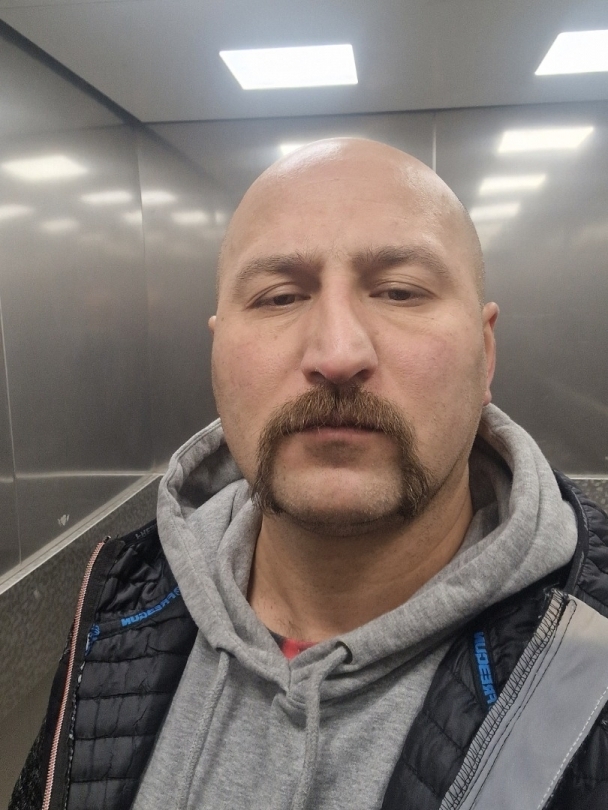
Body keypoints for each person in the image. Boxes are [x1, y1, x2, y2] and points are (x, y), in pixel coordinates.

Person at [10, 138, 608, 810]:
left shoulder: (591, 658)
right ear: (217, 353)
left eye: (400, 291)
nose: (338, 353)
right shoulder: (116, 599)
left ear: (486, 353)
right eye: (279, 297)